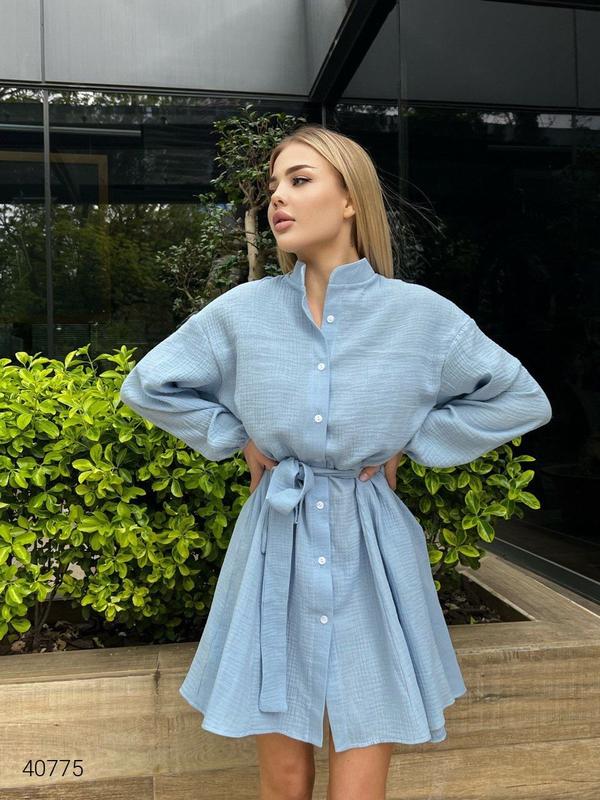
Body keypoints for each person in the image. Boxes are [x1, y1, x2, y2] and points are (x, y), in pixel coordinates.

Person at [119, 123, 553, 800]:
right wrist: (235, 437)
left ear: (351, 199)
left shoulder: (421, 318)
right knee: (284, 776)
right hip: (275, 543)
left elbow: (520, 399)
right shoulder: (241, 314)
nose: (277, 199)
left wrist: (414, 439)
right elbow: (148, 386)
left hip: (371, 548)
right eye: (274, 186)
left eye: (300, 180)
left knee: (360, 769)